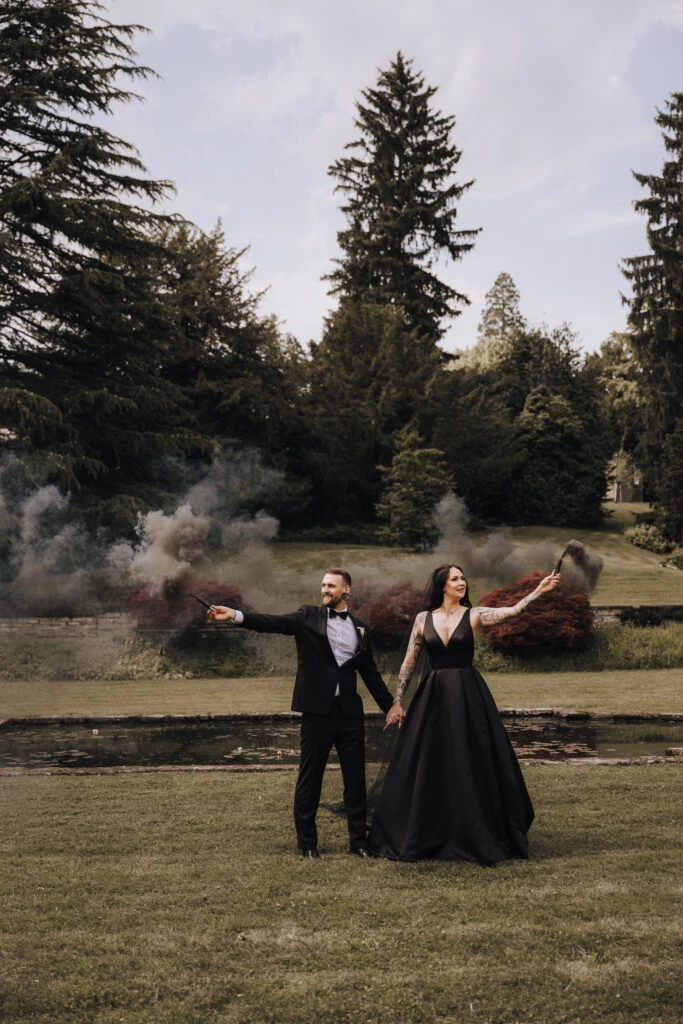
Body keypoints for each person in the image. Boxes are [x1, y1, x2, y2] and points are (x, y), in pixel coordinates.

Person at [367, 564, 560, 864]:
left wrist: (538, 591)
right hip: (433, 697)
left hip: (467, 696)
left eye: (463, 578)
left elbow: (513, 612)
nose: (462, 582)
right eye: (455, 578)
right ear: (442, 585)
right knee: (427, 761)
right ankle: (426, 830)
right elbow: (409, 662)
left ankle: (475, 830)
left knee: (473, 757)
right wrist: (397, 700)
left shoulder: (474, 614)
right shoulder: (422, 619)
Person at [209, 570, 397, 859]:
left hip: (349, 714)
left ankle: (359, 842)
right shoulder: (307, 616)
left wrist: (391, 706)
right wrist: (235, 615)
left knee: (355, 780)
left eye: (331, 585)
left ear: (346, 590)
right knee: (311, 778)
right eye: (322, 584)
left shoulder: (360, 629)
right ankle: (308, 844)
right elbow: (271, 623)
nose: (325, 589)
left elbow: (370, 674)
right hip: (316, 711)